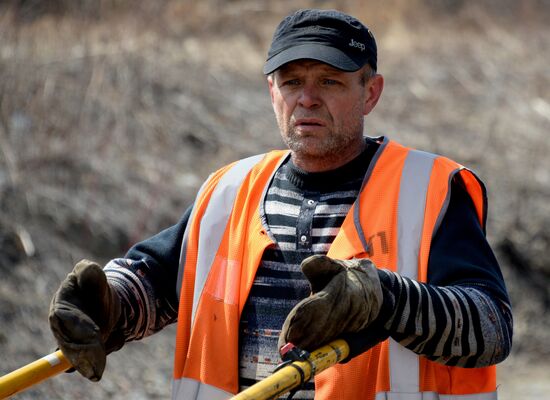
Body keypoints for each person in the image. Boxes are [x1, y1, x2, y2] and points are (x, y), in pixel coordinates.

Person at [49, 9, 513, 400]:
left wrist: (386, 299)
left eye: (329, 82)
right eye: (291, 82)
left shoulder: (429, 189)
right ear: (272, 91)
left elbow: (490, 329)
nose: (307, 100)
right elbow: (155, 284)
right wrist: (106, 306)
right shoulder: (229, 191)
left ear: (370, 92)